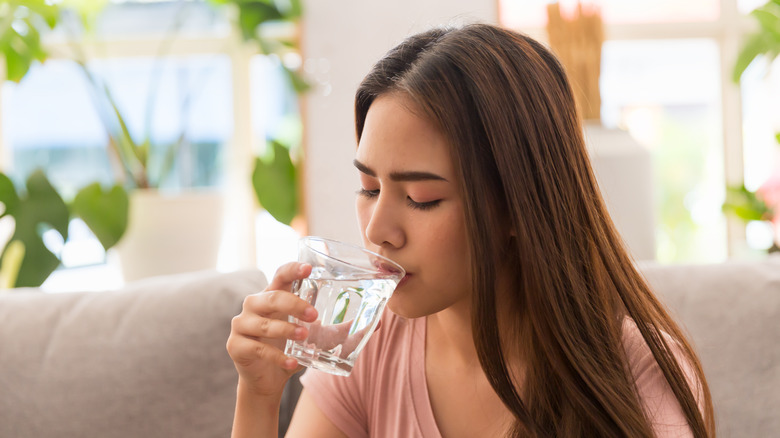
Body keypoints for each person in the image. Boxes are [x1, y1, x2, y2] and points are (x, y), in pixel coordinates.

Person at [227, 23, 715, 437]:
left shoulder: (634, 372)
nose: (379, 230)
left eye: (422, 199)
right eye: (370, 188)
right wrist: (259, 397)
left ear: (515, 208)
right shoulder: (370, 349)